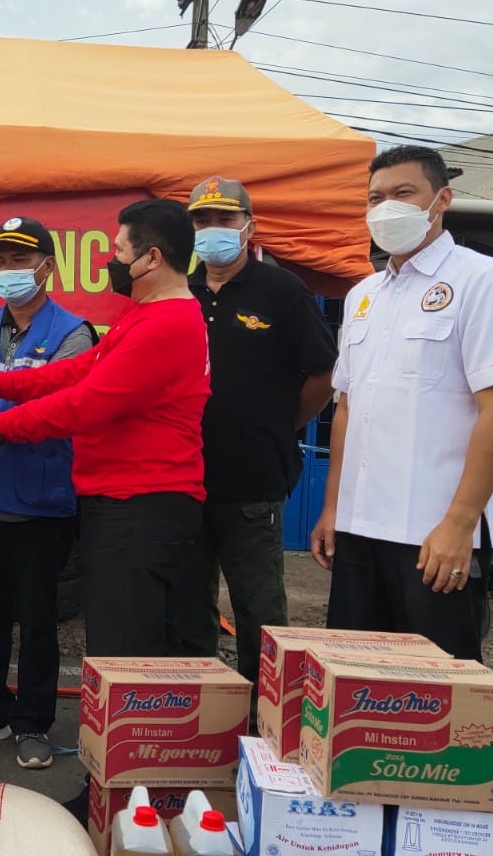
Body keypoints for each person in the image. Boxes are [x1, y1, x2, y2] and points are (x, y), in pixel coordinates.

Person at [0, 198, 210, 821]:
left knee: (124, 657)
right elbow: (80, 372)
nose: (112, 262)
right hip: (121, 503)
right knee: (116, 652)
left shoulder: (170, 323)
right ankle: (120, 791)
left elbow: (86, 405)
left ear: (152, 257)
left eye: (118, 252)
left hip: (144, 507)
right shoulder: (146, 316)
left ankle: (120, 799)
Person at [311, 145, 493, 662]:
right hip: (360, 527)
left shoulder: (485, 281)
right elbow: (347, 407)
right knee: (354, 680)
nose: (387, 207)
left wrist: (460, 523)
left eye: (403, 193)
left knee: (436, 691)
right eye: (376, 197)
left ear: (442, 199)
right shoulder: (364, 295)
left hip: (433, 533)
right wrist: (332, 508)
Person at [0, 217, 95, 769]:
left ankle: (33, 720)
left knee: (38, 618)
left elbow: (58, 407)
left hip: (39, 500)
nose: (8, 270)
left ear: (47, 267)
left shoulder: (73, 332)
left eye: (20, 259)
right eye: (1, 260)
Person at [186, 177, 337, 701]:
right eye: (202, 222)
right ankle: (203, 721)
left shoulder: (281, 290)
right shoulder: (180, 292)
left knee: (259, 612)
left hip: (253, 481)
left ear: (251, 226)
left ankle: (265, 722)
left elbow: (322, 374)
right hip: (182, 478)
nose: (213, 232)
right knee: (188, 609)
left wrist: (279, 423)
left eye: (225, 220)